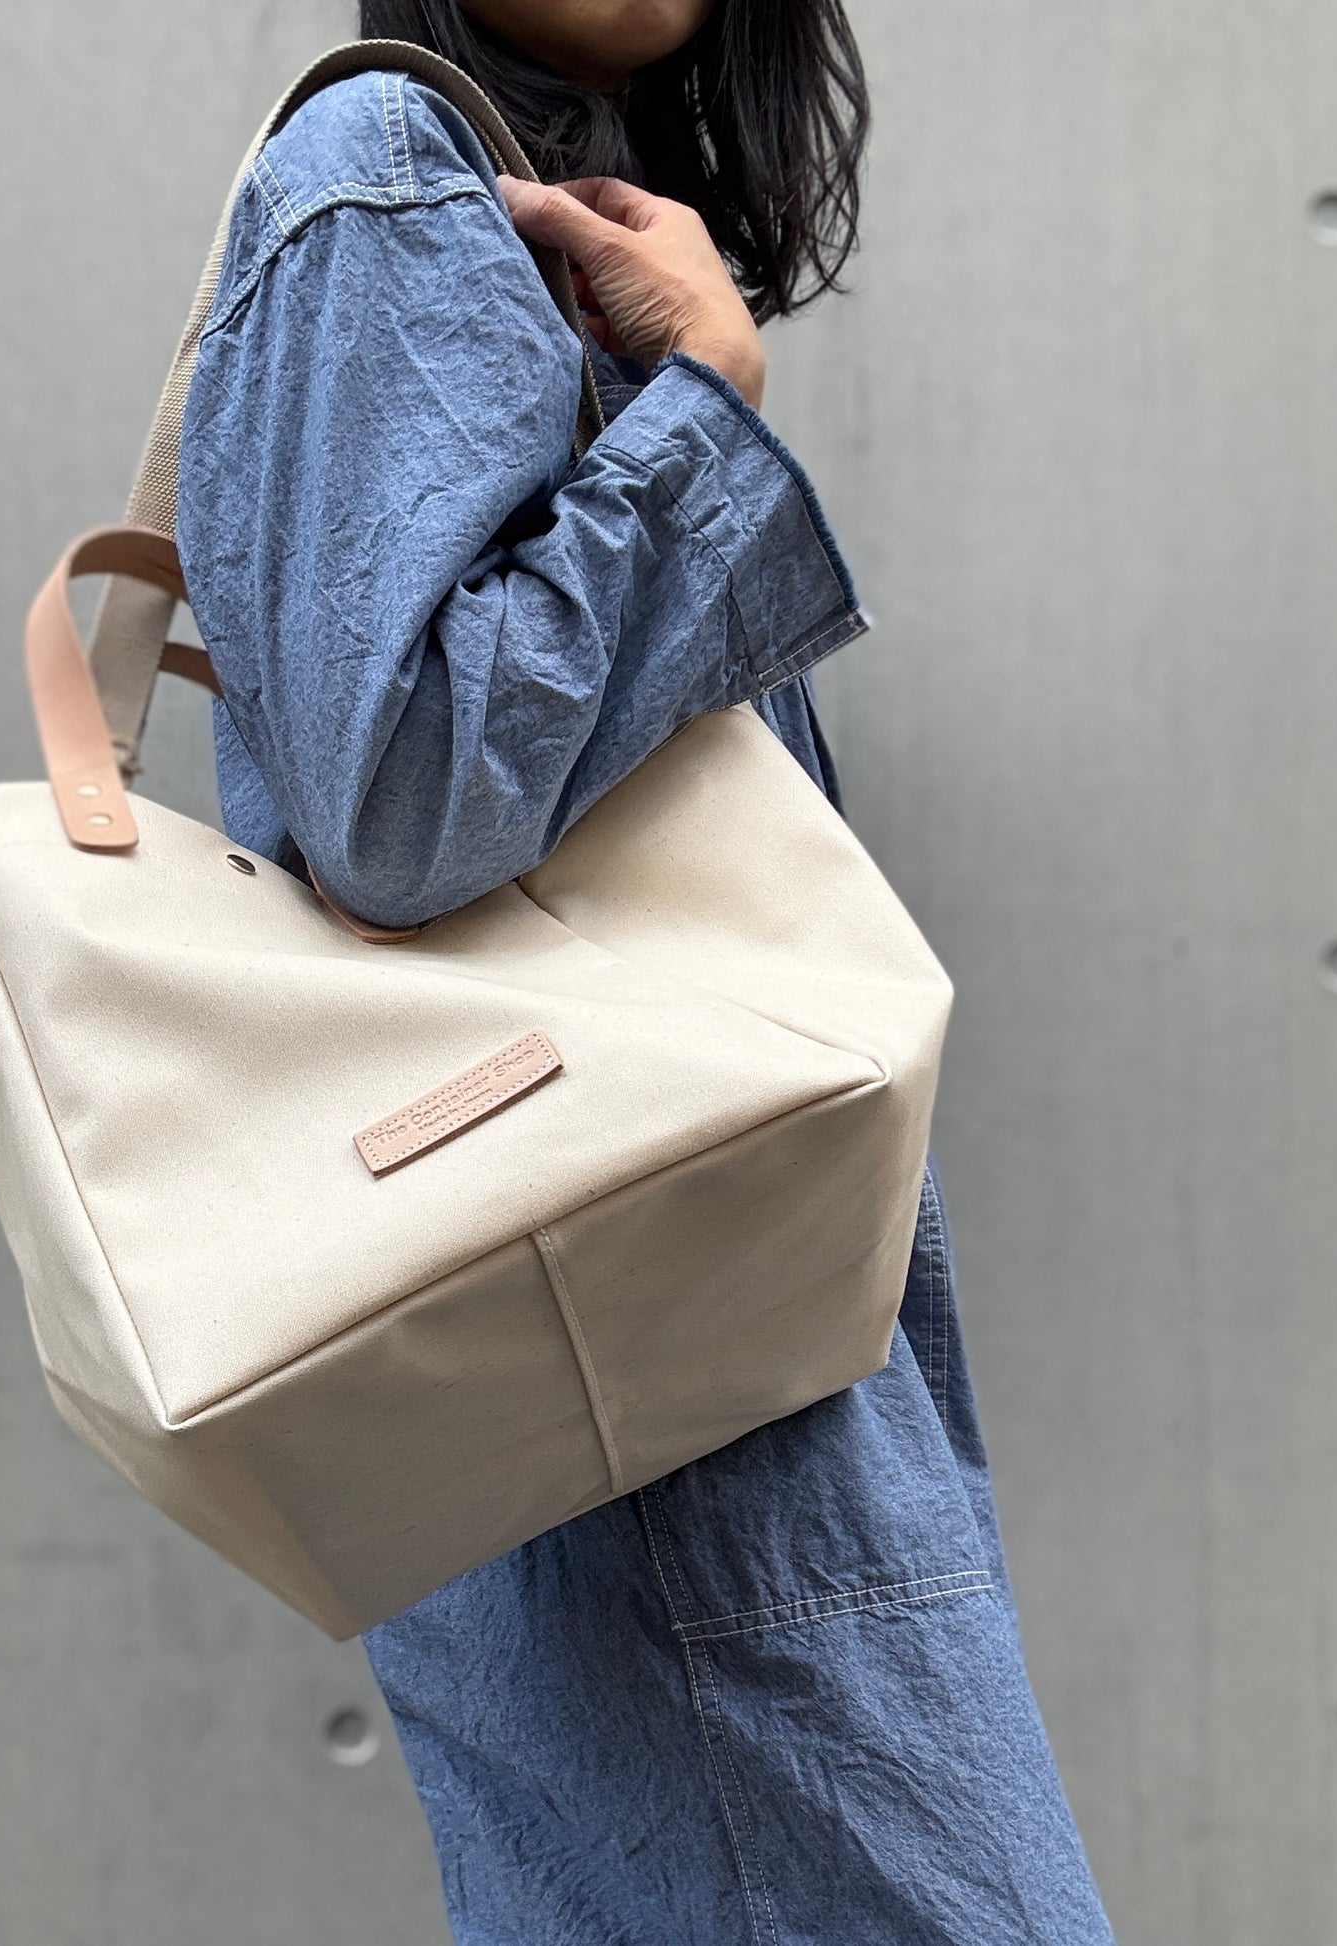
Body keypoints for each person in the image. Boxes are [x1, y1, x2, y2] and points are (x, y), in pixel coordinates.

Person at [175, 2, 1116, 1939]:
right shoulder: (383, 176)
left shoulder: (487, 198)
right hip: (657, 1389)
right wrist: (702, 401)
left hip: (660, 1358)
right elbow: (406, 798)